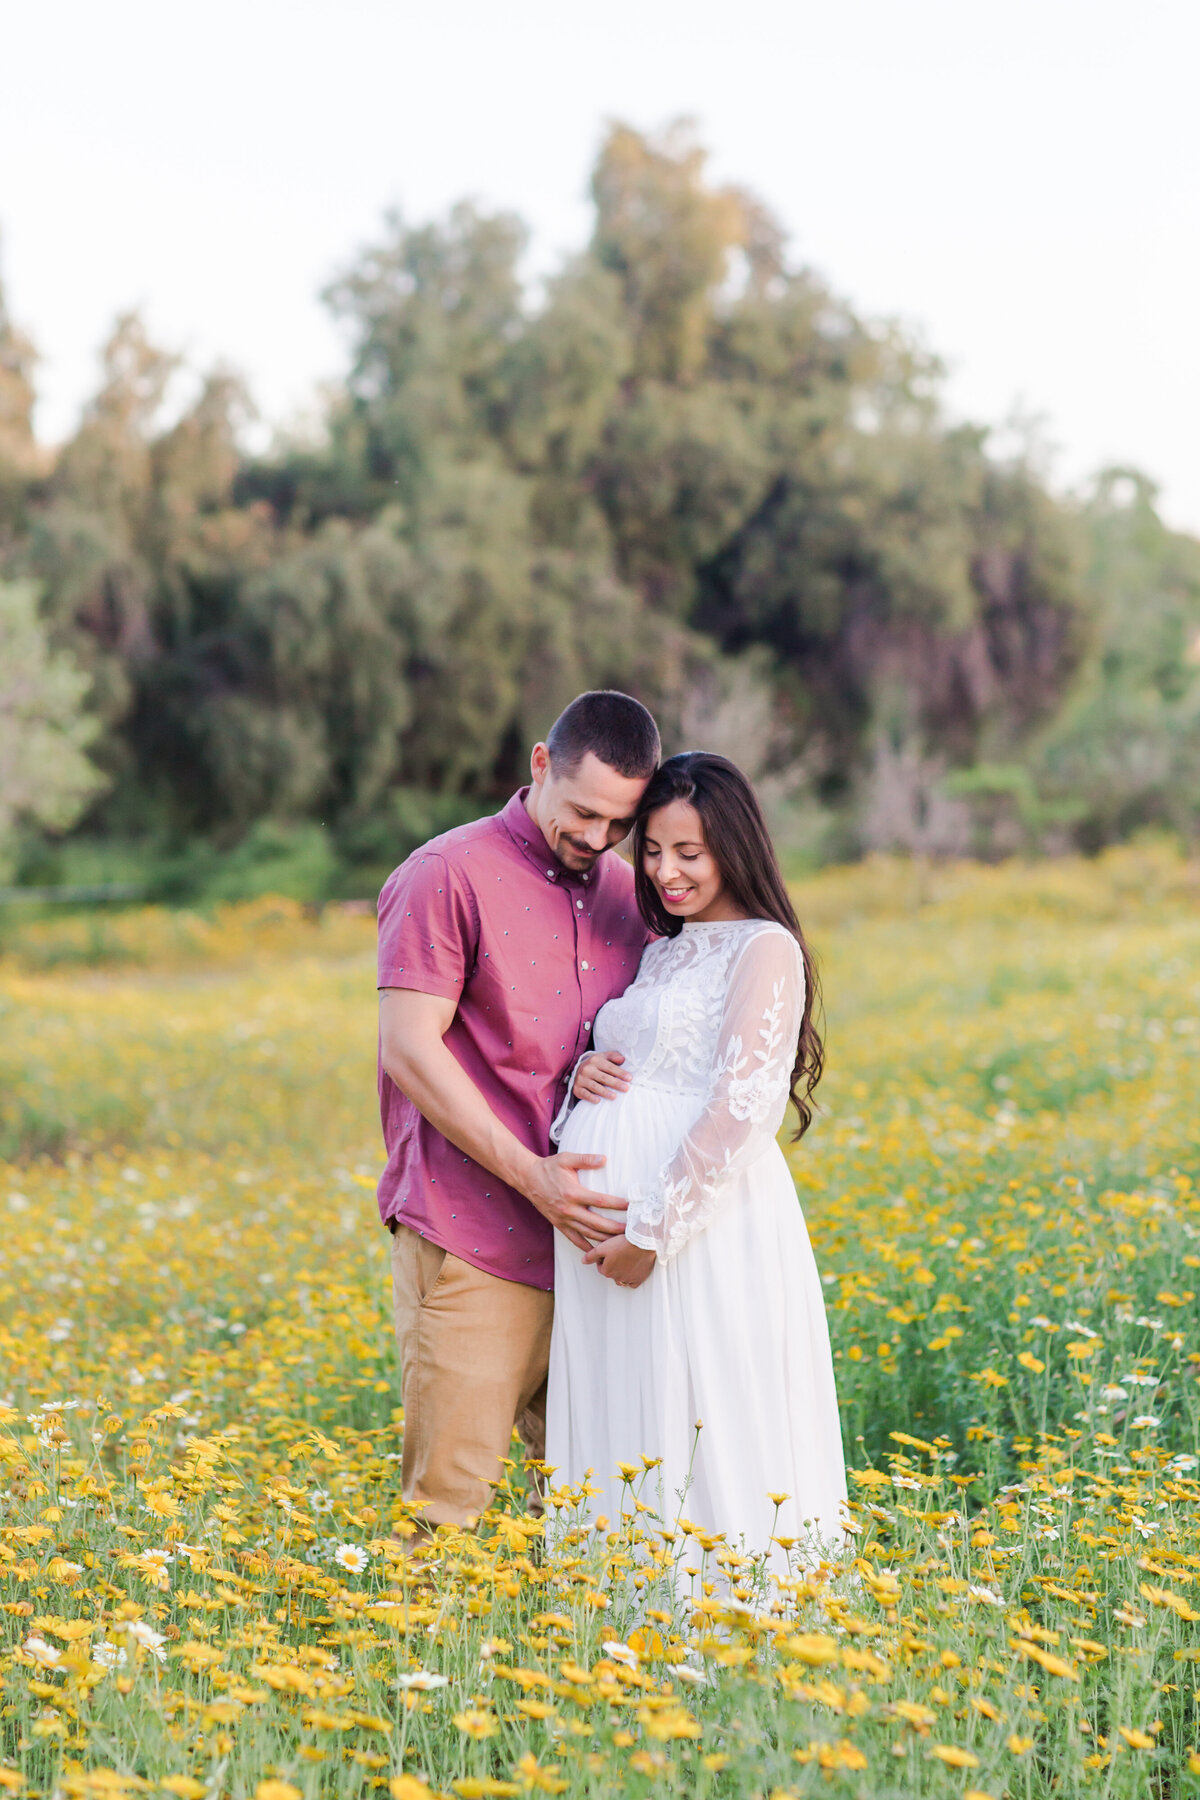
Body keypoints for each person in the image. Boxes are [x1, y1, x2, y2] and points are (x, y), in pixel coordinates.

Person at [546, 752, 847, 1570]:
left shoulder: (764, 949)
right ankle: (620, 1605)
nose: (667, 872)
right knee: (632, 1410)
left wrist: (653, 1229)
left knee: (706, 1400)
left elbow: (742, 1107)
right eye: (651, 850)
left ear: (734, 848)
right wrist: (582, 1072)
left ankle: (730, 1614)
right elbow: (644, 1059)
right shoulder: (665, 947)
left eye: (691, 852)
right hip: (610, 1235)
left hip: (690, 1229)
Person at [376, 691, 659, 1538]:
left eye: (621, 821)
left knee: (579, 1516)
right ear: (540, 765)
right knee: (446, 1510)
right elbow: (410, 1048)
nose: (599, 838)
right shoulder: (445, 875)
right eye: (583, 812)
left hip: (594, 1258)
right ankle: (412, 1662)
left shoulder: (628, 895)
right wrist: (534, 1177)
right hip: (475, 1238)